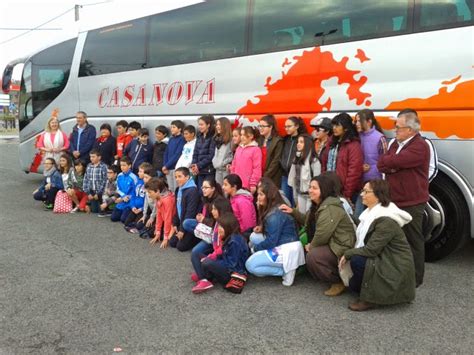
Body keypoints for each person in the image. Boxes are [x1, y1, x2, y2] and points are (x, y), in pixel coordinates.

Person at [339, 179, 416, 311]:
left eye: (366, 191)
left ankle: (370, 299)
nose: (362, 194)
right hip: (384, 257)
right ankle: (364, 288)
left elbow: (371, 250)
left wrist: (347, 254)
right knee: (353, 284)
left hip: (392, 264)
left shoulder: (386, 219)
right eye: (362, 191)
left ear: (378, 195)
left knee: (357, 261)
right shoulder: (370, 213)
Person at [377, 108, 430, 287]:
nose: (395, 130)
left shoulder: (420, 146)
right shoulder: (395, 143)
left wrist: (393, 164)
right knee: (395, 239)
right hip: (395, 200)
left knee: (413, 240)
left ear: (410, 129)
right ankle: (398, 273)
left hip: (412, 201)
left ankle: (415, 279)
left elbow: (394, 162)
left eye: (398, 127)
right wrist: (393, 165)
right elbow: (382, 163)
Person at [281, 174, 355, 296]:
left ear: (324, 189)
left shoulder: (329, 207)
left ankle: (338, 280)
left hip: (342, 245)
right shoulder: (319, 205)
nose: (310, 190)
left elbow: (322, 234)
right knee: (307, 248)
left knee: (313, 255)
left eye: (314, 188)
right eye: (310, 187)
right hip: (332, 242)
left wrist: (312, 246)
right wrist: (293, 211)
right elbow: (308, 220)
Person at [245, 178, 304, 286]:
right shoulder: (273, 206)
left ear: (269, 195)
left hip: (287, 248)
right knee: (254, 237)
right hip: (283, 241)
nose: (258, 197)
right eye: (258, 194)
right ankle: (279, 264)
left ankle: (284, 270)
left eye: (261, 195)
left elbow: (272, 241)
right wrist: (262, 227)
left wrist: (255, 249)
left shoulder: (274, 214)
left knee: (250, 265)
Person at [192, 213, 250, 294]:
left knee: (206, 263)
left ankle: (205, 278)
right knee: (197, 254)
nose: (219, 229)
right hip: (228, 265)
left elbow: (231, 265)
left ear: (229, 227)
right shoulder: (229, 237)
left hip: (233, 272)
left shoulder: (234, 241)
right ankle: (205, 277)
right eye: (219, 226)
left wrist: (213, 261)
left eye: (222, 226)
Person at [321, 112, 364, 202]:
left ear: (346, 127)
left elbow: (354, 171)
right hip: (328, 187)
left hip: (343, 190)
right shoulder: (331, 142)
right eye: (333, 125)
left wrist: (346, 193)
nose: (334, 128)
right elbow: (324, 164)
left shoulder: (353, 145)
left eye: (337, 125)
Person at [190, 196, 233, 284]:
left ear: (221, 209)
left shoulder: (226, 224)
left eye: (214, 209)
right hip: (218, 254)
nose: (212, 211)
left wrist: (211, 256)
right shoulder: (218, 222)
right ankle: (204, 275)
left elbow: (224, 247)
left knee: (205, 261)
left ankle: (204, 280)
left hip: (225, 260)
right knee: (196, 254)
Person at [354, 109, 387, 217]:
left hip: (374, 186)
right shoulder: (356, 137)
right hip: (358, 183)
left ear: (369, 122)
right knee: (358, 216)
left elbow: (385, 163)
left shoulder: (380, 138)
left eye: (359, 121)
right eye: (356, 121)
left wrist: (371, 169)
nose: (357, 124)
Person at [169, 167, 201, 251]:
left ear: (187, 177)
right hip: (181, 222)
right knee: (172, 242)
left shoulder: (192, 191)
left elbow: (190, 212)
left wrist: (182, 230)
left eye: (180, 176)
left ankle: (197, 238)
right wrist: (175, 223)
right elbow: (177, 207)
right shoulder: (178, 189)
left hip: (189, 224)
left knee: (181, 247)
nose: (177, 179)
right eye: (176, 177)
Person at [288, 134, 321, 214]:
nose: (298, 144)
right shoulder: (296, 158)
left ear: (308, 144)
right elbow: (293, 177)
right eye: (298, 142)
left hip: (310, 195)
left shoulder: (314, 161)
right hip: (300, 193)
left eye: (301, 142)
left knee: (309, 216)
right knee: (301, 217)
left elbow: (318, 180)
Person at [280, 116, 307, 206]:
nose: (286, 129)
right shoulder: (285, 140)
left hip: (296, 176)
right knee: (286, 201)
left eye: (289, 126)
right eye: (285, 126)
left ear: (296, 126)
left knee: (296, 203)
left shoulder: (302, 140)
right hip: (285, 175)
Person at [230, 126, 262, 193]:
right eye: (241, 134)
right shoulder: (239, 148)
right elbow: (234, 164)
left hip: (247, 185)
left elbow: (257, 168)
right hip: (236, 183)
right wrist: (232, 178)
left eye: (244, 135)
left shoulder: (256, 150)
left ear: (251, 136)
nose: (242, 137)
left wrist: (253, 183)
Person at [147, 177, 176, 248]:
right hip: (166, 222)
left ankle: (171, 233)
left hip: (173, 224)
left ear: (157, 191)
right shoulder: (158, 197)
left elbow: (168, 219)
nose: (149, 195)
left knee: (172, 242)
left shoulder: (167, 200)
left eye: (150, 192)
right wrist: (158, 232)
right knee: (152, 233)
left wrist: (166, 237)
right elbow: (159, 215)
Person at [258, 114, 283, 188]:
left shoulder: (278, 141)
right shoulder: (260, 140)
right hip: (260, 175)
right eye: (260, 126)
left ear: (270, 127)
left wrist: (265, 176)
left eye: (263, 126)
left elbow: (276, 161)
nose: (260, 128)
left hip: (272, 178)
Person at [191, 115, 216, 188]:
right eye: (199, 124)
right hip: (199, 170)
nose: (200, 127)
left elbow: (211, 155)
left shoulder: (213, 137)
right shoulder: (199, 136)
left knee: (207, 191)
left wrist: (198, 165)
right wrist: (194, 165)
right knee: (200, 191)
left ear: (208, 125)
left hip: (208, 170)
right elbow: (195, 152)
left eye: (202, 124)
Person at [111, 156, 138, 223]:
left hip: (130, 202)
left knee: (123, 220)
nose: (122, 167)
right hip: (121, 200)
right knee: (113, 218)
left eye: (124, 165)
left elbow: (136, 193)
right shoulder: (119, 175)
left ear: (129, 166)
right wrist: (122, 197)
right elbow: (118, 188)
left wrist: (127, 197)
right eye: (121, 165)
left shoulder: (134, 177)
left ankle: (130, 213)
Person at [123, 162, 147, 232]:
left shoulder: (148, 184)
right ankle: (133, 225)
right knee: (126, 222)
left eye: (140, 172)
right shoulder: (138, 182)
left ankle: (136, 226)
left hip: (142, 210)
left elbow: (146, 201)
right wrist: (132, 206)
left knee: (139, 225)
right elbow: (133, 195)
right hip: (135, 208)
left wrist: (141, 209)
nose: (138, 173)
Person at [162, 120, 186, 193]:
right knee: (171, 189)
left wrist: (167, 165)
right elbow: (166, 152)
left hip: (175, 168)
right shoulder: (171, 139)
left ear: (179, 129)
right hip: (168, 168)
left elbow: (178, 154)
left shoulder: (182, 139)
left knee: (177, 189)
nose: (171, 129)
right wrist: (165, 165)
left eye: (174, 127)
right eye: (171, 127)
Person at [82, 149, 108, 213]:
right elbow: (86, 179)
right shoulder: (89, 166)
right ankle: (88, 205)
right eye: (90, 157)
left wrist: (98, 193)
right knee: (94, 211)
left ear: (99, 157)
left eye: (93, 156)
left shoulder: (103, 166)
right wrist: (88, 193)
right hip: (91, 192)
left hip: (100, 192)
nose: (91, 158)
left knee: (100, 210)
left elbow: (104, 180)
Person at [135, 164, 157, 237]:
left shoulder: (155, 189)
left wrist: (151, 218)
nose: (144, 179)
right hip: (150, 212)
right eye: (144, 177)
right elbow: (146, 202)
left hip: (156, 214)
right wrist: (144, 216)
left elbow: (156, 206)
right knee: (139, 225)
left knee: (150, 232)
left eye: (146, 177)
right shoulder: (146, 186)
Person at [212, 117, 233, 185]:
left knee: (226, 192)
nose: (217, 127)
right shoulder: (216, 139)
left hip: (226, 170)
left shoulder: (230, 140)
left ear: (225, 126)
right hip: (217, 170)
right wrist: (214, 161)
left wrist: (224, 163)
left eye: (220, 125)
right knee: (219, 190)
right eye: (217, 125)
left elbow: (233, 155)